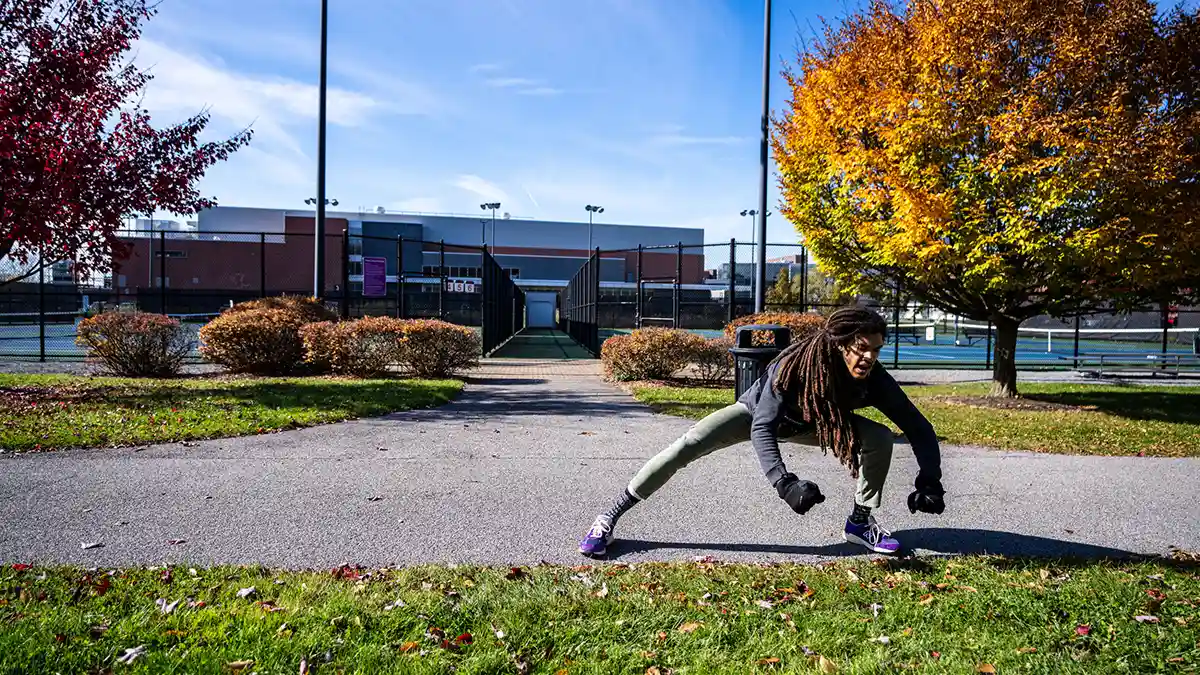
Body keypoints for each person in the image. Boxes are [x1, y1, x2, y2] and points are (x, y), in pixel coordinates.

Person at [578, 306, 945, 557]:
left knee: (879, 437)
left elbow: (918, 426)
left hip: (816, 422)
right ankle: (609, 517)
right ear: (840, 343)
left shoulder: (874, 378)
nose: (869, 358)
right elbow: (764, 428)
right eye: (861, 349)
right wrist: (784, 483)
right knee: (687, 445)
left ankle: (860, 522)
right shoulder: (792, 367)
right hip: (755, 415)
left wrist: (929, 480)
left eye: (876, 350)